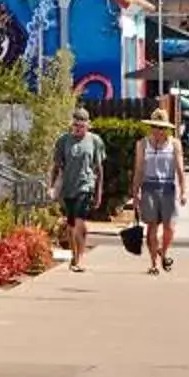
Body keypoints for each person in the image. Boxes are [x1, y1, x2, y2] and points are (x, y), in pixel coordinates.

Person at [49, 107, 107, 272]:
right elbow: (56, 166)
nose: (78, 129)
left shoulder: (95, 141)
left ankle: (78, 258)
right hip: (68, 186)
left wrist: (98, 192)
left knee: (79, 221)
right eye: (75, 125)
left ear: (87, 126)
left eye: (81, 126)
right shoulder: (63, 141)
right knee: (71, 224)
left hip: (85, 184)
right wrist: (52, 186)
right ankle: (75, 255)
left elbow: (99, 169)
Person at [135, 105, 186, 275]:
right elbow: (139, 170)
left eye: (161, 128)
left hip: (168, 187)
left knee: (169, 227)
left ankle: (163, 252)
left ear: (167, 129)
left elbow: (180, 169)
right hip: (149, 187)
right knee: (151, 227)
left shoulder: (174, 144)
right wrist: (135, 193)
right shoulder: (143, 144)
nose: (158, 131)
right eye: (155, 127)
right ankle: (153, 263)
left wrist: (183, 190)